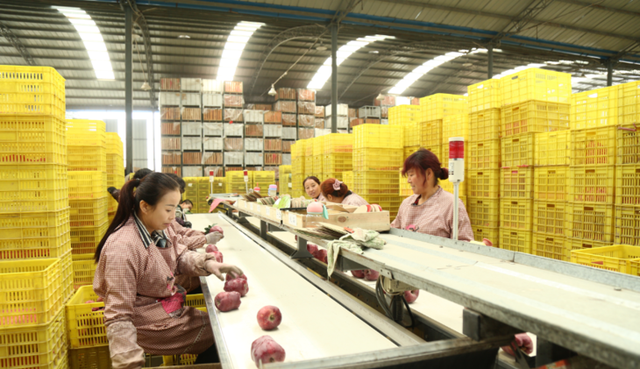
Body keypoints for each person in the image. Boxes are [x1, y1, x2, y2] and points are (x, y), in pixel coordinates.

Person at [93, 172, 243, 368]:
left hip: (164, 305)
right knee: (222, 332)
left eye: (175, 209)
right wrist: (129, 362)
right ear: (145, 206)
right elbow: (119, 316)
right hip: (147, 323)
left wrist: (207, 263)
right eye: (168, 209)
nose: (173, 217)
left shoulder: (156, 228)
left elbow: (178, 255)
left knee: (222, 328)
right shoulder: (123, 248)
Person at [391, 148, 474, 241]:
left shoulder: (452, 205)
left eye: (411, 175)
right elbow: (393, 232)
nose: (408, 180)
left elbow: (465, 244)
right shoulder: (406, 203)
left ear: (428, 174)